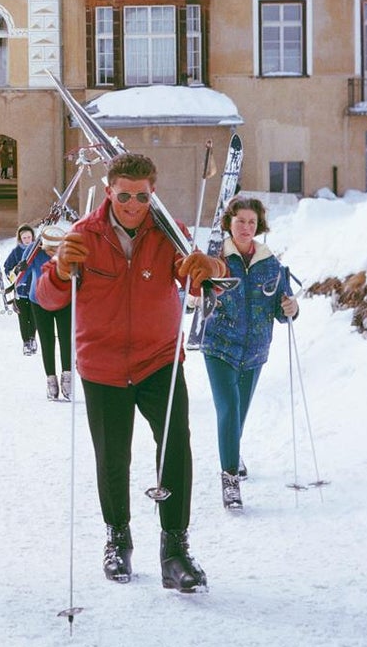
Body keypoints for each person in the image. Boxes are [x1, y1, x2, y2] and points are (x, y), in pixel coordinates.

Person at [34, 151, 225, 594]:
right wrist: (62, 270)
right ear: (109, 191)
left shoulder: (167, 232)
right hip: (102, 366)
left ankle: (174, 550)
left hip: (159, 360)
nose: (133, 205)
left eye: (142, 196)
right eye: (124, 196)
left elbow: (204, 279)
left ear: (152, 192)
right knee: (112, 457)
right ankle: (117, 537)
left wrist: (208, 268)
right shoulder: (83, 234)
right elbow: (46, 297)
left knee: (175, 448)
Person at [199, 197, 298, 512]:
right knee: (228, 408)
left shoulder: (272, 264)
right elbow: (192, 294)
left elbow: (283, 310)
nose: (245, 227)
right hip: (219, 347)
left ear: (259, 226)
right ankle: (229, 480)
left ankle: (232, 450)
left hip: (255, 352)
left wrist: (291, 308)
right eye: (240, 221)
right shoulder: (215, 259)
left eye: (251, 222)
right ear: (229, 222)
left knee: (239, 413)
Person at [25, 229, 75, 401]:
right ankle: (51, 380)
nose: (53, 252)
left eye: (56, 248)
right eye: (50, 248)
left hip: (64, 301)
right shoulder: (34, 251)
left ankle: (67, 378)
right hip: (39, 301)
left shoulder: (67, 252)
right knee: (47, 340)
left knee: (66, 339)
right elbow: (23, 270)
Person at [3, 224, 40, 356]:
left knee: (34, 317)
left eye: (29, 237)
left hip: (35, 290)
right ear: (20, 238)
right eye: (24, 238)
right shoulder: (16, 252)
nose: (27, 240)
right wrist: (14, 276)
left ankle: (32, 338)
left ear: (33, 237)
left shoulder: (37, 250)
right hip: (21, 291)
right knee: (23, 318)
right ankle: (25, 342)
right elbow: (7, 267)